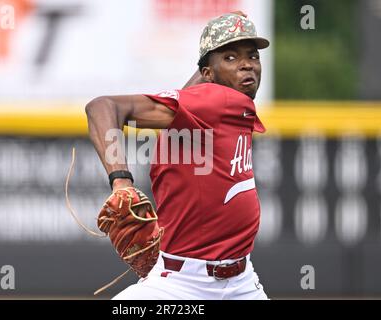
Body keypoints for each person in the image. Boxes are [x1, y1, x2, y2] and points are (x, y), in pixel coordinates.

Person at [85, 12, 269, 300]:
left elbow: (198, 89)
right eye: (231, 57)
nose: (247, 64)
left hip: (243, 283)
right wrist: (121, 181)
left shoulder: (204, 108)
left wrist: (217, 49)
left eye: (252, 56)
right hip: (181, 287)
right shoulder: (217, 101)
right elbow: (101, 107)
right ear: (208, 75)